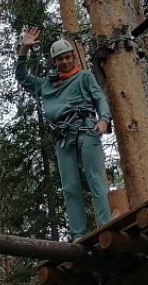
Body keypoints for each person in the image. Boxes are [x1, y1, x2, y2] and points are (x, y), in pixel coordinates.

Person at [16, 27, 112, 240]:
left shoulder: (84, 77)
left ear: (73, 57)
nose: (65, 61)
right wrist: (24, 49)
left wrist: (104, 119)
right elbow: (22, 77)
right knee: (70, 187)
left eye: (68, 57)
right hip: (62, 136)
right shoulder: (46, 85)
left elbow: (100, 99)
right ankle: (78, 234)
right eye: (60, 59)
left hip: (86, 127)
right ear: (54, 62)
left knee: (95, 178)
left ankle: (106, 226)